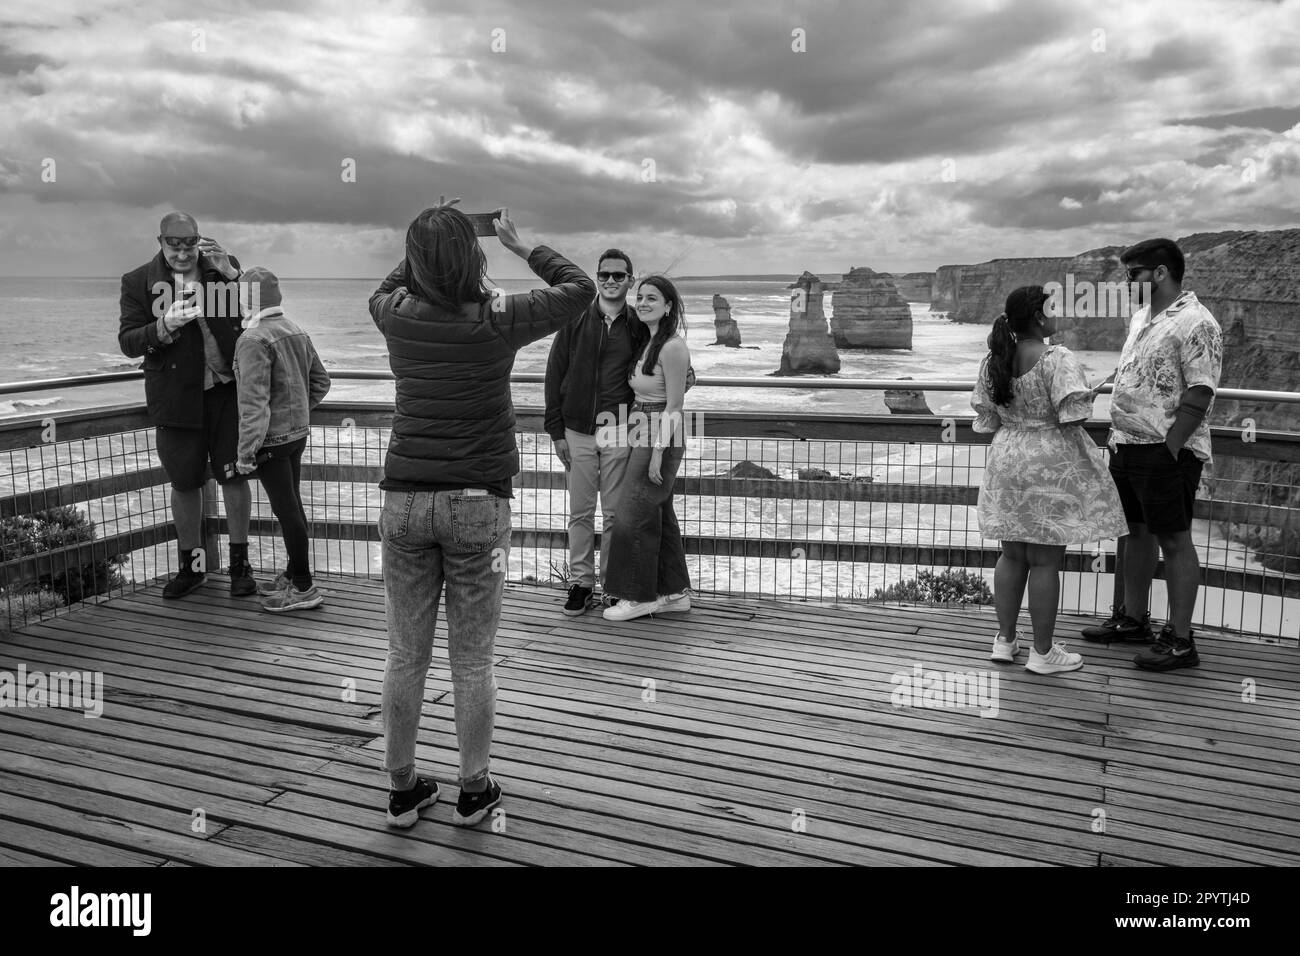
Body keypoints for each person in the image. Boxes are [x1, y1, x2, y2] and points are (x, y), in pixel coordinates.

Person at [370, 200, 595, 829]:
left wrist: (437, 242)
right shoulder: (500, 316)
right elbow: (579, 288)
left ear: (414, 262)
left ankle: (402, 789)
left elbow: (389, 285)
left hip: (405, 502)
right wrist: (518, 247)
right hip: (478, 505)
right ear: (476, 260)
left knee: (404, 654)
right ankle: (474, 790)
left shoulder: (395, 315)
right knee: (471, 660)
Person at [972, 285, 1129, 674]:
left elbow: (987, 418)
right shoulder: (1057, 357)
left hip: (1008, 458)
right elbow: (1072, 416)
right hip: (1049, 463)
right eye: (1052, 308)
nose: (1057, 313)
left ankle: (1005, 641)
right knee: (1044, 561)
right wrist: (1093, 392)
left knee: (1011, 555)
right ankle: (1043, 653)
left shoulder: (994, 360)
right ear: (1039, 318)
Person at [118, 212, 255, 598]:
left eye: (189, 244)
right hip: (176, 397)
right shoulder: (138, 281)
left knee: (235, 476)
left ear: (199, 239)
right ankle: (191, 569)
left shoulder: (222, 269)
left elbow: (253, 315)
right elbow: (128, 342)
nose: (182, 253)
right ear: (160, 241)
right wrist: (164, 326)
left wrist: (234, 277)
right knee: (184, 482)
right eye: (173, 245)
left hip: (226, 392)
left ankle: (240, 569)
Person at [1108, 238, 1222, 671]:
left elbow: (1201, 389)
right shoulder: (1141, 317)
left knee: (1175, 541)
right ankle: (1133, 621)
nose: (1126, 282)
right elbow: (1136, 372)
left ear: (1159, 273)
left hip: (1166, 451)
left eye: (1132, 274)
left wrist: (1172, 446)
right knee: (1133, 532)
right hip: (1127, 444)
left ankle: (1180, 640)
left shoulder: (1196, 321)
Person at [545, 249, 646, 616]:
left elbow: (657, 368)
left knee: (616, 514)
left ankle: (614, 585)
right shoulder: (575, 320)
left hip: (619, 430)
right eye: (604, 275)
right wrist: (556, 431)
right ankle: (581, 583)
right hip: (577, 431)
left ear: (630, 281)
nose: (610, 281)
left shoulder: (638, 325)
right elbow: (554, 374)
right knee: (580, 512)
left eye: (619, 276)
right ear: (597, 277)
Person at [231, 267, 332, 612]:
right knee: (294, 505)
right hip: (296, 435)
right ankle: (293, 574)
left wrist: (245, 453)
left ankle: (304, 587)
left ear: (248, 299)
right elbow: (321, 382)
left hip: (271, 441)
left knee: (286, 511)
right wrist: (298, 413)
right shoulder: (295, 329)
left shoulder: (252, 339)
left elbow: (253, 402)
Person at [602, 275, 693, 622]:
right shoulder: (648, 340)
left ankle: (636, 596)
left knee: (631, 513)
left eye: (652, 298)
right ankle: (674, 593)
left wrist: (658, 451)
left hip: (660, 432)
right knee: (659, 513)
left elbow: (674, 406)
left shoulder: (672, 346)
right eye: (640, 297)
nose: (642, 303)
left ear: (668, 306)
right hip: (641, 424)